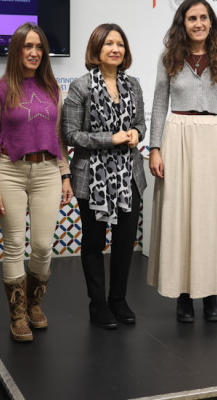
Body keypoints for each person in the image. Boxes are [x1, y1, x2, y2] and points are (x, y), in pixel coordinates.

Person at [147, 0, 217, 323]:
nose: (198, 23)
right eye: (192, 18)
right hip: (177, 136)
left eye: (204, 17)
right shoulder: (169, 58)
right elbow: (160, 103)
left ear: (211, 22)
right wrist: (155, 148)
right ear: (182, 24)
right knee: (179, 216)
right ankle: (184, 296)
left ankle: (211, 292)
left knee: (211, 218)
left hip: (214, 138)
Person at [0, 22, 73, 342]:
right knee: (14, 245)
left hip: (47, 171)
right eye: (27, 46)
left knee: (43, 246)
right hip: (10, 171)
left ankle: (35, 303)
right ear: (16, 50)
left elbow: (60, 138)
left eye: (38, 47)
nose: (34, 52)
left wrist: (65, 174)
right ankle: (18, 313)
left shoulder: (53, 88)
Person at [62, 23, 146, 329]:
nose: (115, 49)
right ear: (96, 50)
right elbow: (70, 134)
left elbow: (140, 124)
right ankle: (97, 305)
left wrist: (136, 133)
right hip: (91, 177)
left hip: (128, 175)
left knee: (125, 243)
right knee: (94, 242)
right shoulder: (80, 86)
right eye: (109, 43)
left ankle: (118, 300)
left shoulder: (133, 84)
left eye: (120, 44)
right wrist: (108, 139)